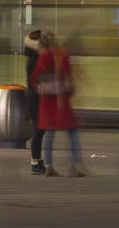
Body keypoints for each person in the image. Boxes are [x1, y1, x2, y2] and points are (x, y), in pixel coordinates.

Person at [32, 32, 86, 177]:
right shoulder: (62, 56)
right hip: (61, 101)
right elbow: (68, 76)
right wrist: (71, 89)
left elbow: (35, 78)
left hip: (47, 101)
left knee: (49, 133)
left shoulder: (42, 58)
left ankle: (49, 165)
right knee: (72, 133)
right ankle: (75, 165)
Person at [23, 30, 47, 175]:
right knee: (38, 132)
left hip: (35, 98)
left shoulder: (33, 57)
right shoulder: (36, 58)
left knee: (39, 131)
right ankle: (36, 161)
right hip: (37, 99)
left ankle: (37, 160)